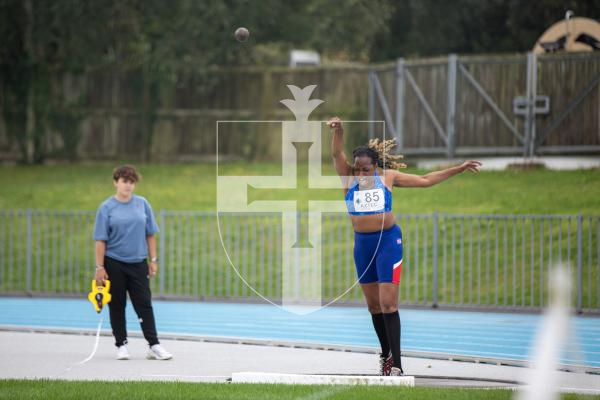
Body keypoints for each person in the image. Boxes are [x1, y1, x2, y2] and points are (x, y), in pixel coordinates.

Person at [327, 117, 481, 376]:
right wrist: (339, 129)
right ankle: (385, 355)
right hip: (363, 246)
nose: (362, 175)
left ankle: (397, 364)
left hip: (388, 242)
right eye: (359, 169)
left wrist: (459, 168)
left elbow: (426, 180)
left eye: (367, 170)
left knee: (389, 304)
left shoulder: (388, 177)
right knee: (373, 306)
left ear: (375, 166)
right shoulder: (348, 178)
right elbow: (335, 152)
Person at [93, 165, 172, 361]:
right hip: (114, 263)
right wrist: (99, 267)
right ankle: (121, 345)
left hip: (138, 263)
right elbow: (100, 240)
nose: (128, 185)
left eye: (131, 182)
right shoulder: (106, 208)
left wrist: (153, 260)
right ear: (116, 182)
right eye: (124, 181)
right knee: (117, 305)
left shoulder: (142, 204)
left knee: (144, 304)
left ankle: (153, 345)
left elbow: (150, 234)